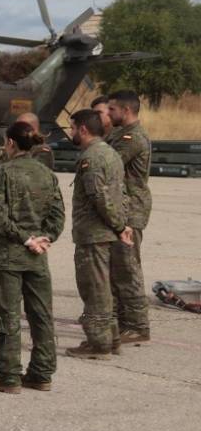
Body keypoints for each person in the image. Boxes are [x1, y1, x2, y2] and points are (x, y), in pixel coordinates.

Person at [0, 121, 64, 394]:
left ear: (11, 143)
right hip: (37, 257)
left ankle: (8, 374)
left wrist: (26, 239)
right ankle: (42, 373)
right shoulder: (46, 173)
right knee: (41, 315)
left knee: (8, 316)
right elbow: (57, 216)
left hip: (9, 256)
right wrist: (44, 238)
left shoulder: (3, 172)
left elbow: (0, 217)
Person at [65, 109, 131, 359]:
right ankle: (111, 338)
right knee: (104, 289)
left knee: (94, 289)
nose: (71, 132)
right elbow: (121, 194)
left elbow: (100, 197)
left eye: (72, 128)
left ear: (83, 129)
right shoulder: (111, 154)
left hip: (94, 234)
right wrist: (121, 224)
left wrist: (117, 225)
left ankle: (99, 343)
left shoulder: (90, 158)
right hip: (105, 232)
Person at [106, 90, 152, 345]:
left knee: (128, 269)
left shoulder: (132, 138)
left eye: (112, 109)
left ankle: (137, 326)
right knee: (117, 269)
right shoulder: (118, 134)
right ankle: (123, 322)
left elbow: (109, 163)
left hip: (131, 211)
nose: (108, 113)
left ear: (126, 111)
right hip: (122, 208)